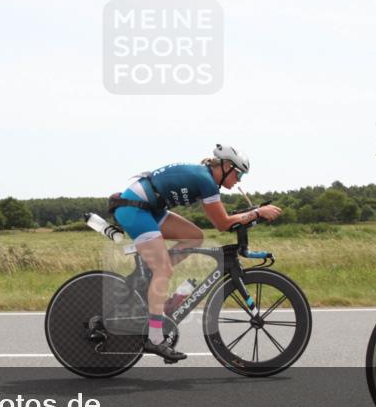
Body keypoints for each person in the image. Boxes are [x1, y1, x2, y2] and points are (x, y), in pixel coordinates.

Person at [110, 144, 282, 362]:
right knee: (164, 270)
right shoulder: (206, 181)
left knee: (194, 236)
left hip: (149, 209)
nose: (239, 180)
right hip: (135, 209)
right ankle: (154, 338)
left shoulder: (206, 178)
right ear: (227, 166)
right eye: (239, 173)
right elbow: (222, 223)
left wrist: (250, 214)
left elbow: (225, 220)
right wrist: (257, 212)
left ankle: (154, 277)